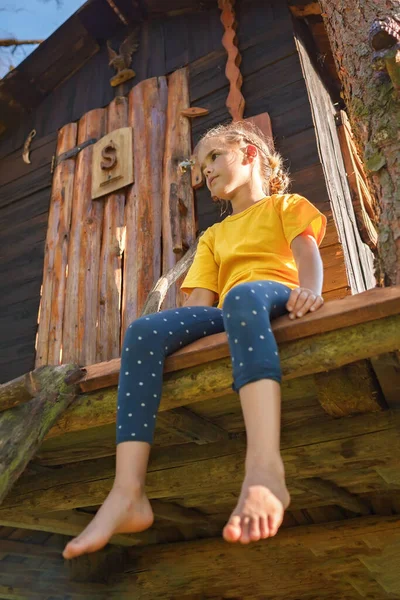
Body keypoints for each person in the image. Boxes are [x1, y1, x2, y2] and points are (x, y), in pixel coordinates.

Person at [63, 120, 326, 559]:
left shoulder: (285, 206)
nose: (206, 171)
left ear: (248, 153)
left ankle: (264, 470)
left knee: (242, 294)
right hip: (232, 312)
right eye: (201, 167)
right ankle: (128, 493)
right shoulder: (213, 236)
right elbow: (201, 304)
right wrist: (168, 339)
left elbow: (306, 256)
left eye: (214, 158)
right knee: (143, 329)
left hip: (275, 296)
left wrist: (312, 292)